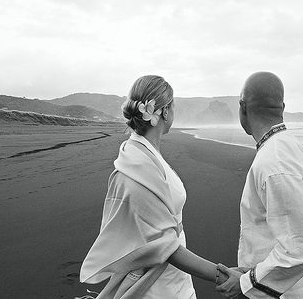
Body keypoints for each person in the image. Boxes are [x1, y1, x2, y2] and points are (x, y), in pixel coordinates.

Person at [79, 75, 227, 298]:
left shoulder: (146, 157)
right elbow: (165, 244)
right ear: (165, 112)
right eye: (173, 106)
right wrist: (221, 275)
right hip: (157, 285)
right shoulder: (137, 167)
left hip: (173, 276)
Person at [216, 72, 303, 299]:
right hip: (300, 283)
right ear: (282, 107)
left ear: (243, 107)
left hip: (285, 293)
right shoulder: (292, 146)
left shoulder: (274, 162)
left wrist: (247, 283)